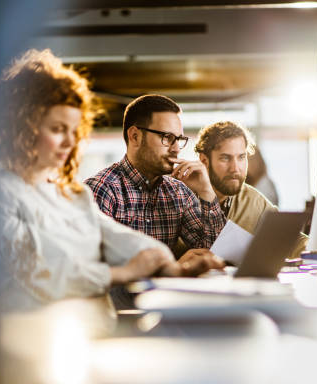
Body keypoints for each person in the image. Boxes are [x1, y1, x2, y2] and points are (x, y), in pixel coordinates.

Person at [0, 49, 220, 312]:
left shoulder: (72, 195)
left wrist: (169, 265)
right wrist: (123, 274)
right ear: (23, 128)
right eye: (57, 129)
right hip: (28, 339)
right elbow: (40, 274)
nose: (69, 142)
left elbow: (119, 238)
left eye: (73, 130)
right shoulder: (3, 194)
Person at [84, 94, 226, 261]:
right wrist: (171, 271)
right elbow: (93, 270)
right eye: (167, 137)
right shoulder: (101, 191)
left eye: (179, 139)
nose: (176, 149)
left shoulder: (178, 192)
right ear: (135, 136)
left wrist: (206, 191)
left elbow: (217, 253)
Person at [194, 121, 307, 257]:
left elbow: (291, 239)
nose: (235, 168)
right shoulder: (180, 197)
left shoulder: (252, 199)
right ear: (204, 161)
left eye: (241, 157)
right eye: (225, 158)